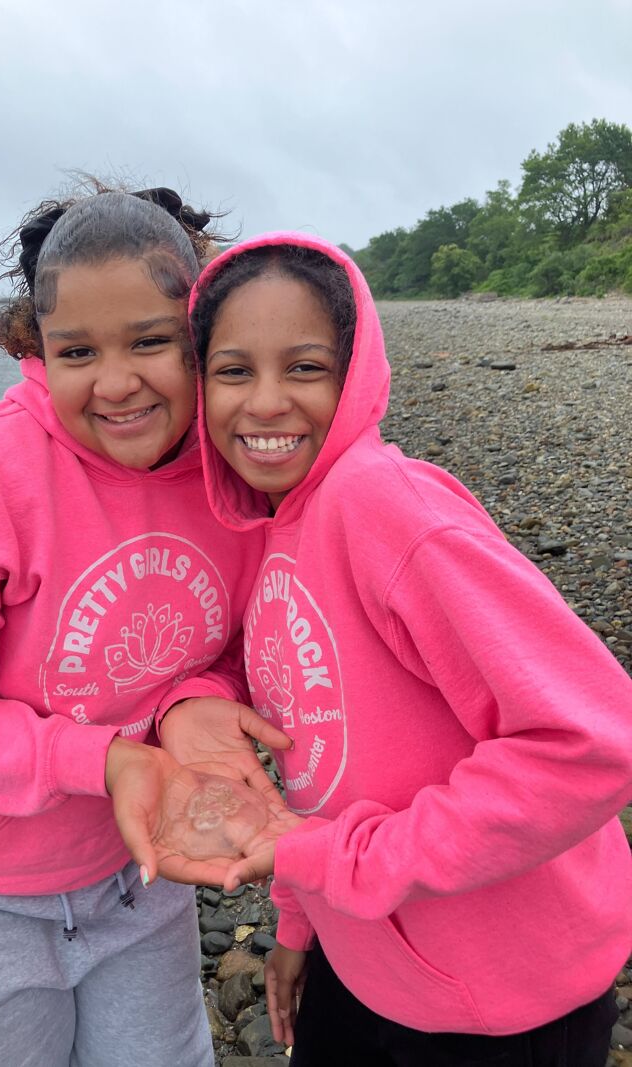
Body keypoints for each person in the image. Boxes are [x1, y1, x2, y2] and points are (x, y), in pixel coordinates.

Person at [0, 186, 289, 1067]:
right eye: (78, 350)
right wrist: (105, 756)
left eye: (152, 342)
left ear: (202, 335)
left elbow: (238, 642)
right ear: (33, 346)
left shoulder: (234, 474)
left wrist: (193, 701)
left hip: (135, 871)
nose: (116, 381)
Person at [187, 232, 632, 1066]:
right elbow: (320, 756)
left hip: (502, 1002)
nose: (267, 402)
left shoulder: (386, 508)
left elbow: (593, 743)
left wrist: (339, 860)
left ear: (353, 373)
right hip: (360, 970)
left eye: (306, 367)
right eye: (235, 370)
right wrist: (299, 919)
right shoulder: (269, 529)